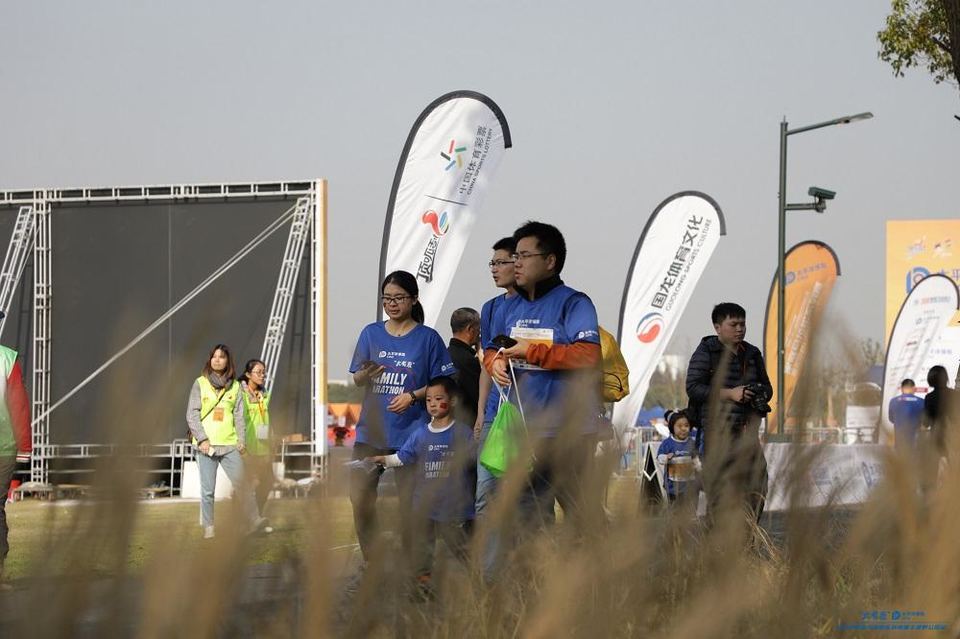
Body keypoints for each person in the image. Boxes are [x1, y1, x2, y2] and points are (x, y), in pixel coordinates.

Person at [484, 221, 603, 533]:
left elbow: (589, 355)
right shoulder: (509, 307)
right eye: (514, 256)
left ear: (550, 261)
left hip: (569, 435)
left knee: (584, 521)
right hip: (523, 433)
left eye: (524, 256)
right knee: (530, 524)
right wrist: (494, 363)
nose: (516, 263)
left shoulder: (574, 303)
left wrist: (533, 351)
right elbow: (493, 348)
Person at [349, 270, 455, 564]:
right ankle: (374, 561)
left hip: (412, 435)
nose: (392, 304)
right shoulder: (371, 333)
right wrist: (365, 374)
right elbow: (356, 379)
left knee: (414, 505)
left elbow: (444, 383)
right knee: (360, 498)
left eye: (398, 298)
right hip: (371, 433)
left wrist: (413, 396)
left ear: (414, 299)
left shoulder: (428, 338)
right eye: (387, 299)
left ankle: (417, 567)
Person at [367, 376, 475, 597]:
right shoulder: (419, 435)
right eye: (428, 400)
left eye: (439, 399)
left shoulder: (463, 433)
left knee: (465, 553)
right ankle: (423, 590)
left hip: (455, 511)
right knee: (423, 555)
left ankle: (480, 587)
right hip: (425, 509)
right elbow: (402, 458)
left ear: (453, 401)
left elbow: (477, 460)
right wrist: (381, 460)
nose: (433, 404)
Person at [685, 302, 772, 523]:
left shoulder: (752, 353)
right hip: (718, 434)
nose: (740, 329)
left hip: (748, 433)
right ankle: (718, 541)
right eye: (734, 324)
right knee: (721, 495)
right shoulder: (706, 352)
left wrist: (758, 392)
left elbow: (768, 388)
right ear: (717, 327)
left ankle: (747, 534)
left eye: (743, 324)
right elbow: (693, 388)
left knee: (758, 486)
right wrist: (730, 394)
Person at [474, 236, 520, 580]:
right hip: (494, 415)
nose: (494, 269)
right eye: (492, 263)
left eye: (500, 262)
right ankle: (489, 577)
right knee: (484, 494)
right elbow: (486, 365)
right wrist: (480, 413)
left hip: (526, 415)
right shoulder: (490, 309)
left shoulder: (538, 306)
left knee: (524, 497)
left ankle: (527, 569)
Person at [186, 344, 260, 539]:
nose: (217, 360)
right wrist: (202, 439)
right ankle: (209, 527)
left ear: (228, 361)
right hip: (206, 446)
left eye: (221, 357)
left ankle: (255, 521)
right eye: (214, 356)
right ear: (210, 360)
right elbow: (192, 414)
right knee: (208, 491)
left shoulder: (235, 386)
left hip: (229, 445)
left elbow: (239, 416)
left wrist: (241, 441)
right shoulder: (200, 383)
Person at [0, 336, 30, 586]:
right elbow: (18, 405)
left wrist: (24, 447)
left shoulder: (7, 358)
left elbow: (18, 405)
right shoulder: (7, 358)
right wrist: (24, 447)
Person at [240, 359, 274, 533]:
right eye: (258, 372)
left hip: (264, 449)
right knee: (248, 486)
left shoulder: (264, 394)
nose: (262, 375)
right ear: (248, 374)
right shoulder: (240, 394)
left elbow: (265, 420)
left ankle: (256, 519)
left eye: (263, 372)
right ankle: (244, 523)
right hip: (247, 448)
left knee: (267, 483)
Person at [656, 410, 700, 505]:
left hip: (689, 487)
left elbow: (696, 459)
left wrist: (699, 467)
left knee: (689, 510)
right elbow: (659, 457)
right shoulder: (667, 443)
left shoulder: (692, 443)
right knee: (675, 511)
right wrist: (666, 457)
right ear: (672, 427)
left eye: (686, 426)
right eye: (679, 426)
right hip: (673, 489)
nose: (683, 429)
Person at [447, 307, 481, 427]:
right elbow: (479, 396)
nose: (480, 334)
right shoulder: (469, 361)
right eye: (478, 329)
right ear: (470, 329)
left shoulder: (444, 354)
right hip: (467, 424)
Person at [923, 365, 957, 458]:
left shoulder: (929, 397)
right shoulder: (956, 395)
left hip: (937, 438)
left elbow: (926, 422)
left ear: (931, 379)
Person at [888, 378, 924, 452]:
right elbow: (924, 421)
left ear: (901, 389)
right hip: (915, 444)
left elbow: (891, 419)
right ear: (914, 388)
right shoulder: (921, 402)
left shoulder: (893, 401)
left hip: (899, 443)